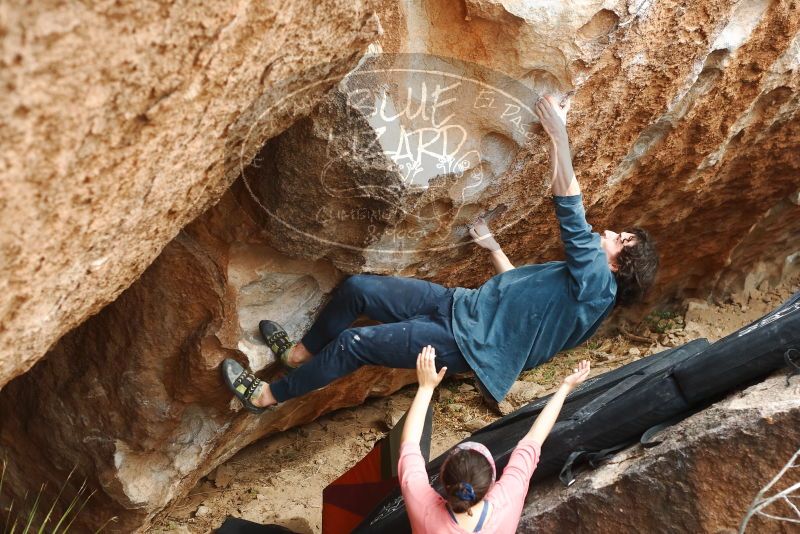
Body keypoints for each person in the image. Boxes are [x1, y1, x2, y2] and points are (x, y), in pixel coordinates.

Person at [220, 94, 658, 413]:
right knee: (357, 290)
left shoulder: (598, 286)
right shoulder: (585, 290)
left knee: (355, 343)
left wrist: (558, 134)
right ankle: (300, 354)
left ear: (620, 266)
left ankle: (265, 397)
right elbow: (519, 306)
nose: (611, 232)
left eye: (621, 240)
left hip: (462, 344)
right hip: (458, 307)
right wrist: (495, 249)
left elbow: (570, 209)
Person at [399, 345, 591, 533]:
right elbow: (533, 439)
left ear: (442, 479)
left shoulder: (423, 506)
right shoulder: (507, 499)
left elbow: (410, 445)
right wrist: (566, 387)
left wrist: (425, 388)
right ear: (491, 483)